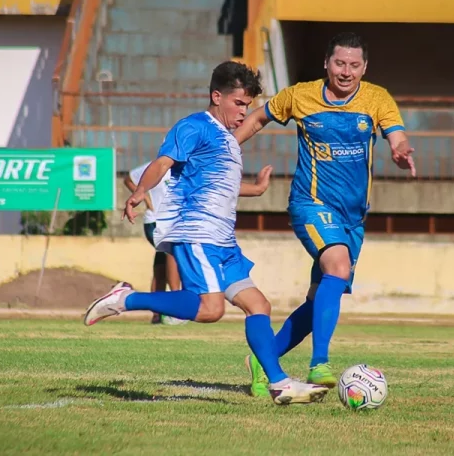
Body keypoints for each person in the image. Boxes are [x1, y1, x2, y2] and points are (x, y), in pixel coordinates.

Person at [83, 60, 330, 405]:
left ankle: (278, 383)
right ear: (217, 96)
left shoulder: (227, 140)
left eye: (247, 105)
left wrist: (254, 190)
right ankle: (125, 299)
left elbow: (218, 184)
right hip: (197, 233)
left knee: (258, 304)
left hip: (224, 241)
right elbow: (163, 162)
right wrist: (140, 192)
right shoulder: (194, 126)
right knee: (210, 309)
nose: (244, 113)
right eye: (239, 104)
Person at [232, 32, 416, 397]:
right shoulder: (300, 96)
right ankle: (319, 364)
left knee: (320, 297)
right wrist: (224, 150)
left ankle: (263, 358)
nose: (346, 72)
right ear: (326, 63)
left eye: (353, 65)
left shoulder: (377, 98)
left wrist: (401, 150)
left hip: (353, 217)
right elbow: (257, 119)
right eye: (339, 63)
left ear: (364, 67)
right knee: (338, 267)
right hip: (311, 204)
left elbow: (397, 136)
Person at [123, 162, 186, 325]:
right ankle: (176, 306)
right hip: (156, 222)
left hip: (173, 223)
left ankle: (157, 314)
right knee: (172, 252)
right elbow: (128, 179)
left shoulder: (185, 168)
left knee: (161, 267)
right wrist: (145, 199)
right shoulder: (156, 166)